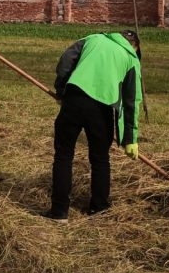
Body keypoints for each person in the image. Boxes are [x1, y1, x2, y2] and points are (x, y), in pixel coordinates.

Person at [45, 30, 142, 222]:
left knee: (63, 155)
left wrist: (62, 90)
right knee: (100, 159)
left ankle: (59, 212)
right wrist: (130, 139)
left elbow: (66, 60)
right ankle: (98, 208)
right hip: (102, 109)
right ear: (134, 46)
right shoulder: (131, 59)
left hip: (74, 99)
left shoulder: (93, 39)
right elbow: (131, 101)